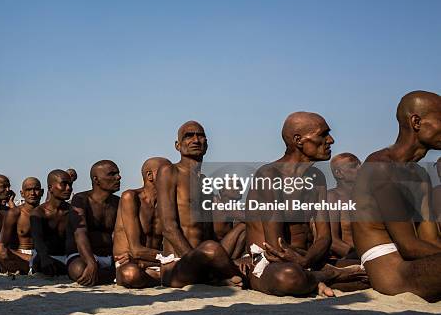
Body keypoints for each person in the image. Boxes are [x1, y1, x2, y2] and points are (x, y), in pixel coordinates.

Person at [245, 112, 366, 297]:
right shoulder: (269, 176)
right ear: (298, 140)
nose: (331, 140)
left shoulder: (317, 178)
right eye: (323, 134)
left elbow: (324, 238)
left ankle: (318, 277)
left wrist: (305, 261)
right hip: (270, 263)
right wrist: (306, 264)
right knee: (290, 278)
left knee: (375, 270)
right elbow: (276, 248)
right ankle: (328, 276)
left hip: (307, 259)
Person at [352, 91, 441, 302]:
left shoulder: (420, 176)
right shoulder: (380, 167)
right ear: (416, 122)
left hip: (415, 265)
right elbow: (408, 245)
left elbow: (430, 239)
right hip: (393, 274)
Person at [156, 121, 248, 288]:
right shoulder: (169, 171)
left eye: (200, 136)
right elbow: (168, 227)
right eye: (189, 136)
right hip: (179, 263)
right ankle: (221, 274)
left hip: (207, 257)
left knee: (244, 226)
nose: (196, 140)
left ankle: (226, 271)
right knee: (211, 248)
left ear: (206, 145)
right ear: (177, 145)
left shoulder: (204, 181)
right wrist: (196, 261)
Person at [113, 157, 171, 288]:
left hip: (154, 263)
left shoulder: (167, 204)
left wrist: (156, 261)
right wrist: (168, 258)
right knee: (131, 274)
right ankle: (162, 278)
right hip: (130, 263)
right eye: (166, 172)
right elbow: (136, 251)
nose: (171, 176)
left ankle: (158, 277)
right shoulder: (131, 197)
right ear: (149, 175)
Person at [66, 160, 121, 286]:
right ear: (96, 180)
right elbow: (80, 234)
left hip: (111, 256)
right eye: (112, 174)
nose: (118, 177)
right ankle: (112, 275)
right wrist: (91, 262)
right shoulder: (81, 200)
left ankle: (110, 274)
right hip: (82, 256)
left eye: (118, 173)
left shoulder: (119, 202)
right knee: (80, 270)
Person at [0, 177, 44, 274]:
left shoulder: (47, 212)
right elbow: (2, 244)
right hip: (21, 256)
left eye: (36, 189)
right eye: (28, 190)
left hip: (42, 255)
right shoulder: (15, 213)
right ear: (22, 193)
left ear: (42, 192)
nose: (32, 193)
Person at [31, 170, 73, 276]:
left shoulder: (72, 211)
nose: (68, 188)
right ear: (50, 188)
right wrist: (45, 258)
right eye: (64, 184)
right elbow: (38, 240)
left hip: (68, 257)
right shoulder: (39, 212)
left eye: (70, 184)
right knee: (40, 262)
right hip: (46, 256)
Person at [328, 153, 361, 260]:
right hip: (350, 259)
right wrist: (362, 256)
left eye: (360, 164)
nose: (360, 168)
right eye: (353, 166)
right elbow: (332, 241)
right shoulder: (333, 197)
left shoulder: (368, 197)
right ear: (339, 173)